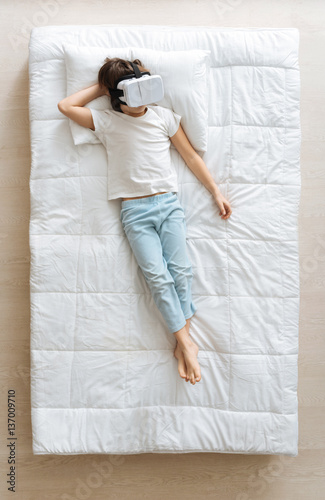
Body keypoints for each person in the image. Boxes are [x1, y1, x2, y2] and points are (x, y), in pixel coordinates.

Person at [58, 57, 232, 386]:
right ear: (118, 95)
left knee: (181, 272)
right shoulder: (106, 121)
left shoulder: (163, 117)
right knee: (158, 278)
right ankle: (185, 342)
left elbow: (191, 156)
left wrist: (216, 193)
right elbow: (65, 106)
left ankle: (184, 342)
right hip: (135, 212)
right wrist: (101, 86)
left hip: (168, 204)